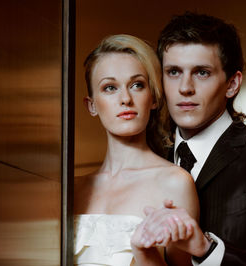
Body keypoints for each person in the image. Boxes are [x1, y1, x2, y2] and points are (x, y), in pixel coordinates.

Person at [139, 12, 246, 265]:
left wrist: (208, 250)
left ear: (232, 84)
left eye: (201, 73)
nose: (185, 87)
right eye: (174, 72)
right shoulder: (150, 161)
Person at [73, 34, 199, 265]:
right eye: (110, 87)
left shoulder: (175, 183)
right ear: (91, 105)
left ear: (152, 98)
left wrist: (145, 253)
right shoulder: (72, 189)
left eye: (137, 85)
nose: (125, 99)